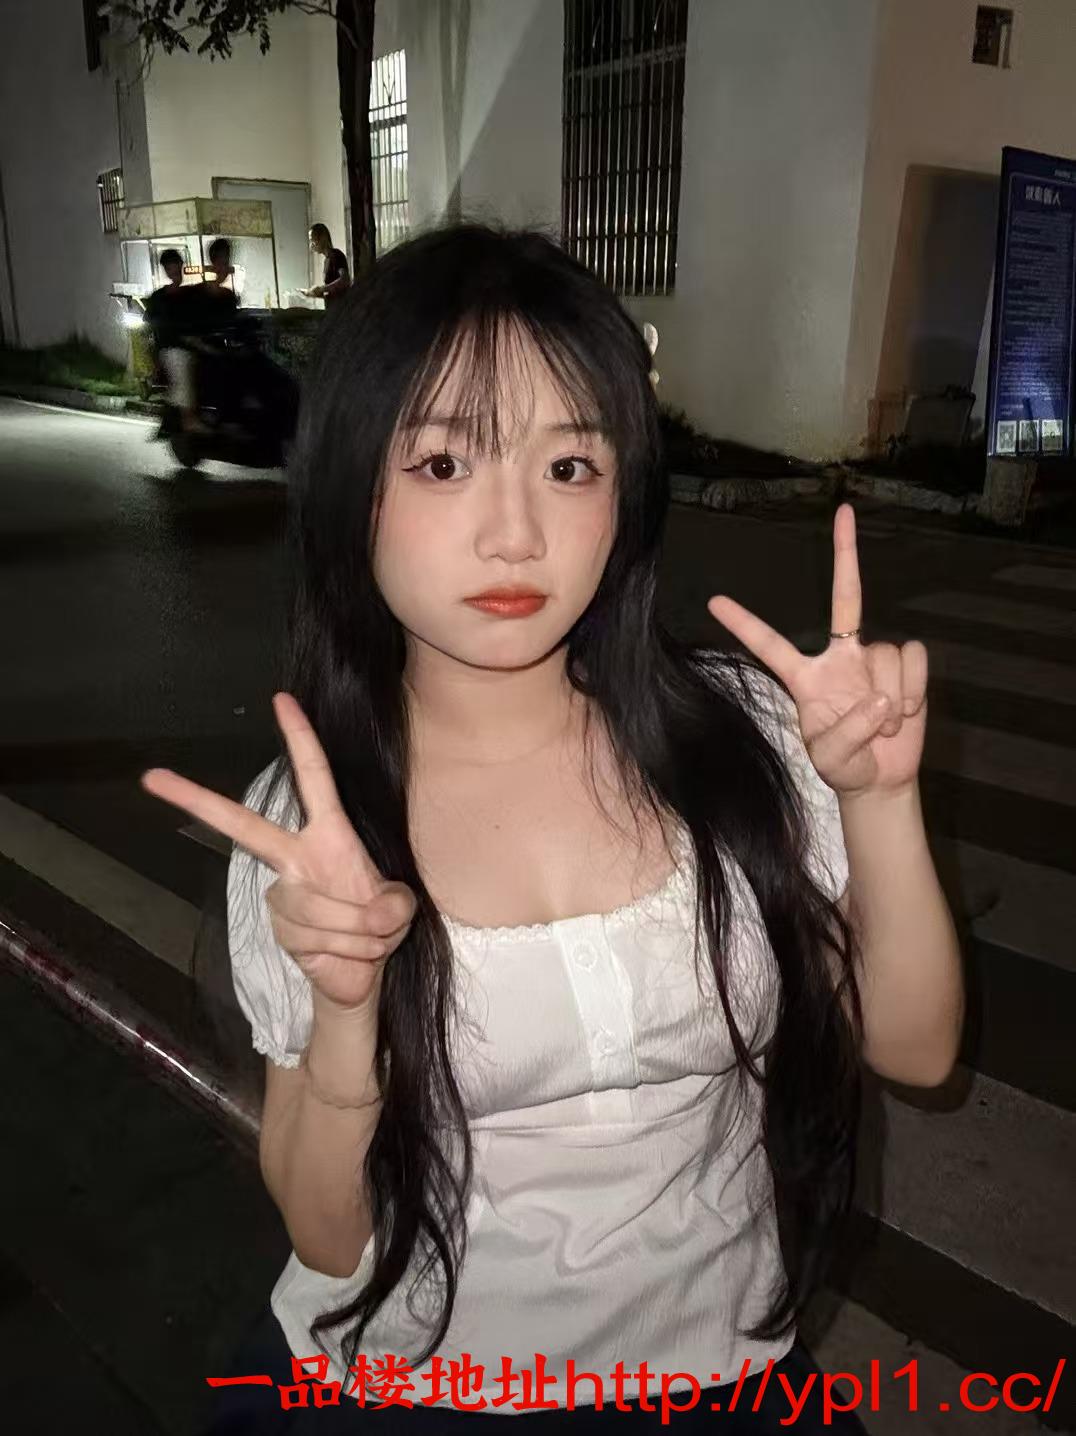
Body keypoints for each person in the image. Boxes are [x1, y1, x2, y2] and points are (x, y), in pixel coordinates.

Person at [139, 223, 964, 1434]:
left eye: (569, 465)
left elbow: (916, 1048)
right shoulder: (314, 825)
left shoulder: (738, 735)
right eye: (442, 463)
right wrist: (348, 1005)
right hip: (419, 1393)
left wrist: (879, 799)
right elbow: (327, 1235)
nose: (515, 532)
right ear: (350, 489)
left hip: (722, 1373)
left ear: (622, 494)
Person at [303, 222, 350, 307]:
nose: (311, 245)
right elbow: (332, 292)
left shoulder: (336, 255)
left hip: (341, 310)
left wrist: (322, 288)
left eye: (312, 240)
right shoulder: (326, 261)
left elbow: (345, 280)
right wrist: (316, 293)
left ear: (322, 238)